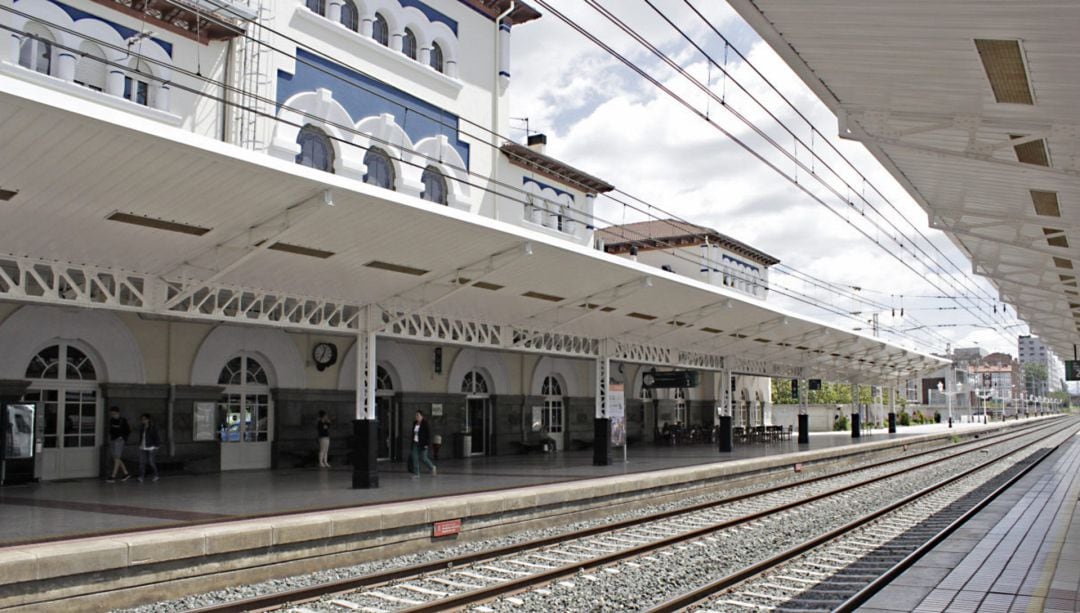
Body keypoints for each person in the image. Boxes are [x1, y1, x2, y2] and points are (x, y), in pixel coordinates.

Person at [106, 406, 131, 483]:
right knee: (116, 457)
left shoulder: (122, 420)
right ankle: (126, 473)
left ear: (118, 413)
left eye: (114, 413)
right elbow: (110, 429)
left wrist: (122, 437)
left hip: (119, 440)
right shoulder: (112, 420)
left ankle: (113, 476)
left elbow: (128, 430)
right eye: (112, 414)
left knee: (117, 457)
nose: (113, 415)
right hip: (113, 439)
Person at [410, 410, 436, 479]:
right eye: (416, 415)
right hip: (415, 443)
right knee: (414, 457)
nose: (417, 417)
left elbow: (428, 434)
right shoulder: (415, 423)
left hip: (423, 443)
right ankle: (417, 474)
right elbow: (413, 433)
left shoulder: (425, 423)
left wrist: (427, 444)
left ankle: (432, 467)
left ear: (422, 416)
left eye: (418, 415)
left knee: (423, 458)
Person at [137, 413, 160, 482]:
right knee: (141, 462)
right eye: (142, 419)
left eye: (144, 419)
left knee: (151, 462)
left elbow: (156, 436)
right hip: (142, 446)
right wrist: (140, 444)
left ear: (148, 420)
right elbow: (141, 437)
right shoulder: (142, 427)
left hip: (151, 447)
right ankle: (141, 476)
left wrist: (157, 445)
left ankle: (156, 475)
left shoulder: (152, 427)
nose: (143, 421)